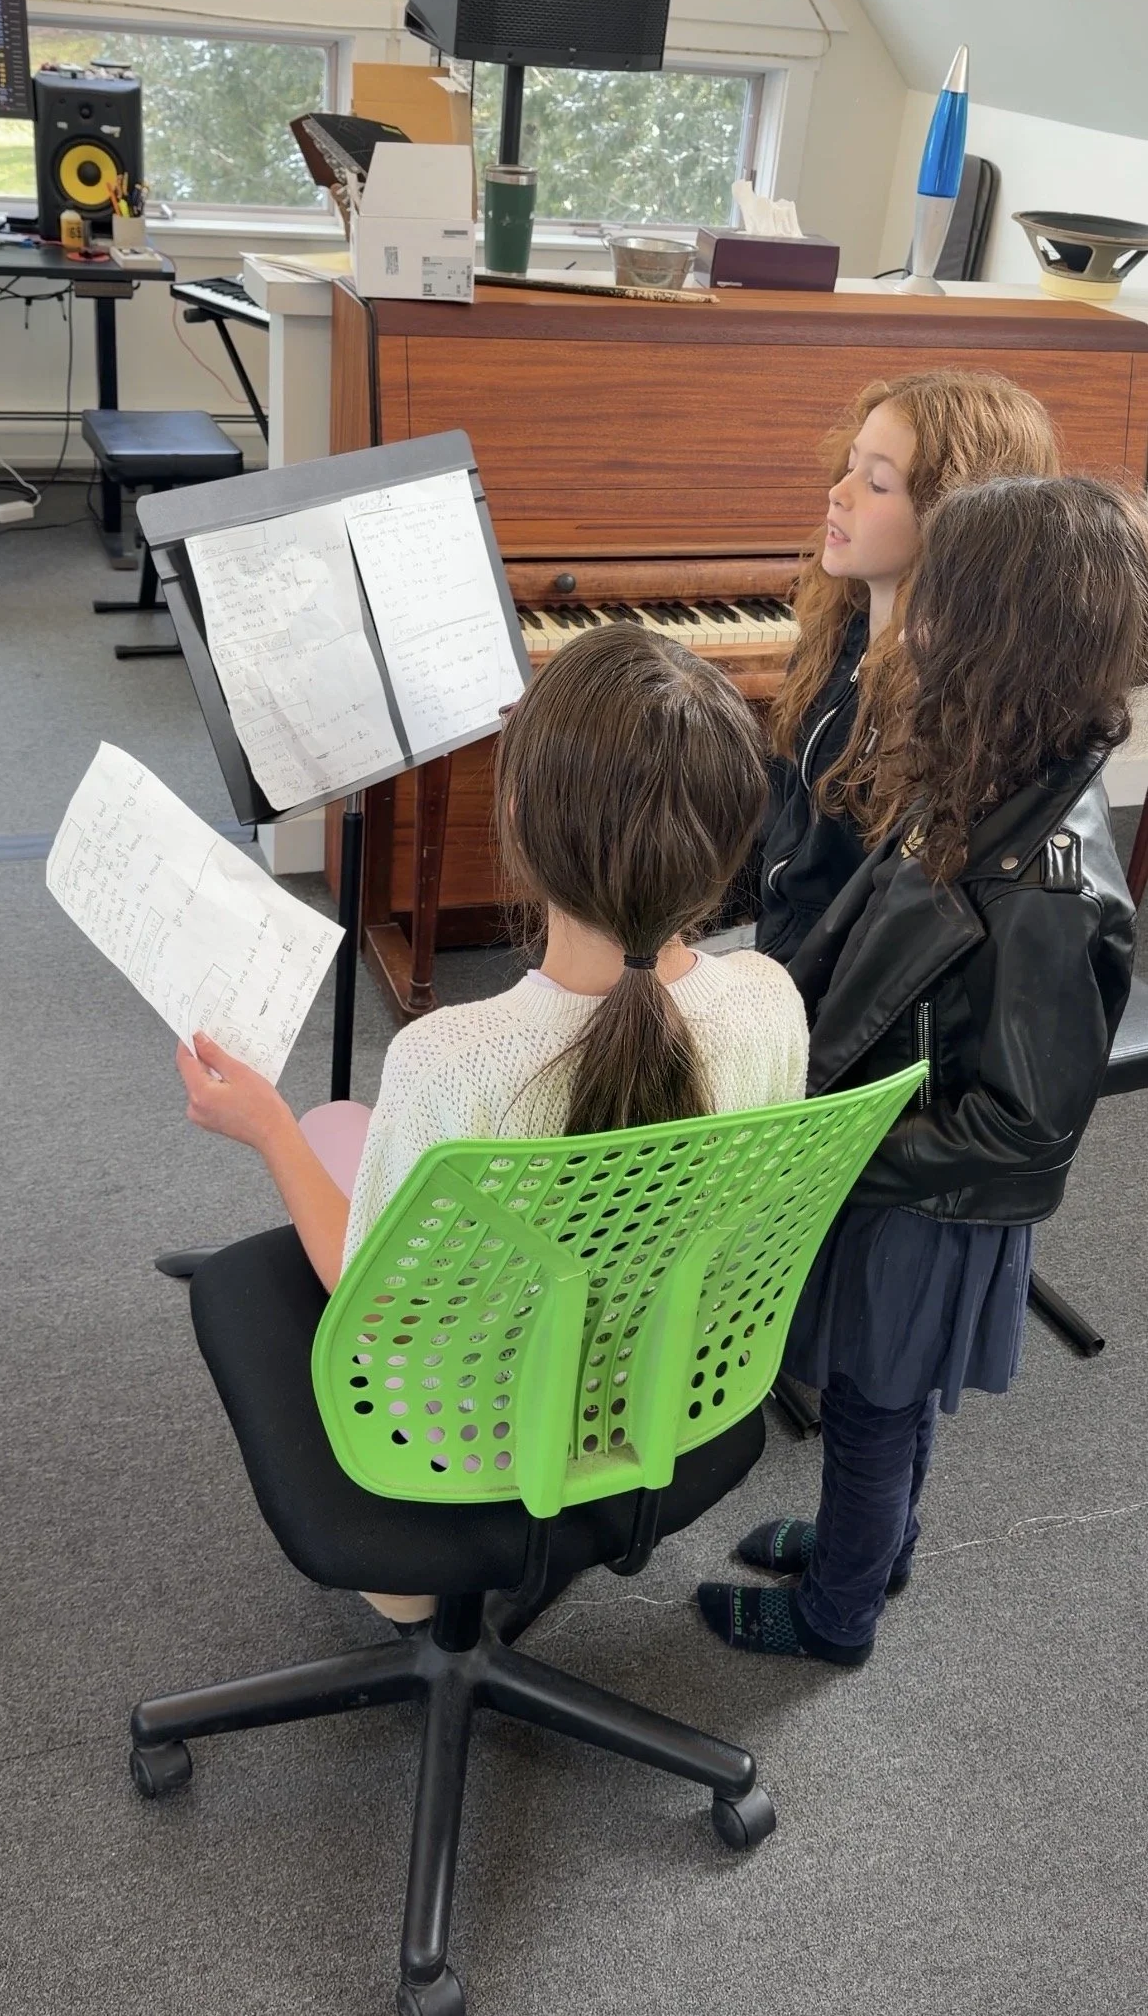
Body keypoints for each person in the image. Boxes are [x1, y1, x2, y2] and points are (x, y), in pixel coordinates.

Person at [175, 624, 810, 1622]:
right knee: (361, 1133)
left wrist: (268, 1128)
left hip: (465, 1442)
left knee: (271, 1229)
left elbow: (371, 1300)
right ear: (732, 842)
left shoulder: (455, 1061)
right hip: (669, 1396)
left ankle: (422, 1577)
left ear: (513, 818)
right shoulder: (773, 998)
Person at [699, 473, 1148, 1666]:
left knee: (872, 1400)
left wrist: (839, 1152)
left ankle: (836, 1614)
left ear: (1000, 635)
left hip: (926, 1198)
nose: (914, 617)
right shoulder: (984, 764)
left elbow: (1022, 1130)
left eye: (938, 598)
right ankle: (877, 1542)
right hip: (889, 1155)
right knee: (876, 1397)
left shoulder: (1054, 883)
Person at [754, 370, 1060, 964]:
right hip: (782, 944)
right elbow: (785, 810)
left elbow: (898, 935)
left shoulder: (961, 708)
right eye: (848, 465)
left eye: (877, 483)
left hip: (839, 992)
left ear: (955, 519)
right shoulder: (842, 634)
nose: (838, 494)